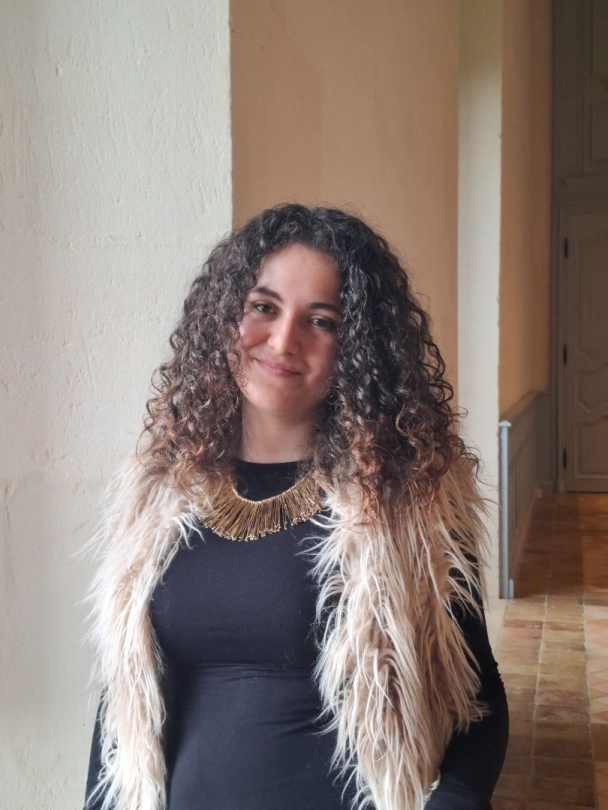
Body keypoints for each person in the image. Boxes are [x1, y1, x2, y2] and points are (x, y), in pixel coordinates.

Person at [84, 204, 508, 810]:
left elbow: (477, 697)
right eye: (263, 306)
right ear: (225, 315)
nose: (284, 341)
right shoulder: (156, 493)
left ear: (357, 347)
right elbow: (123, 702)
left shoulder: (409, 499)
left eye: (321, 320)